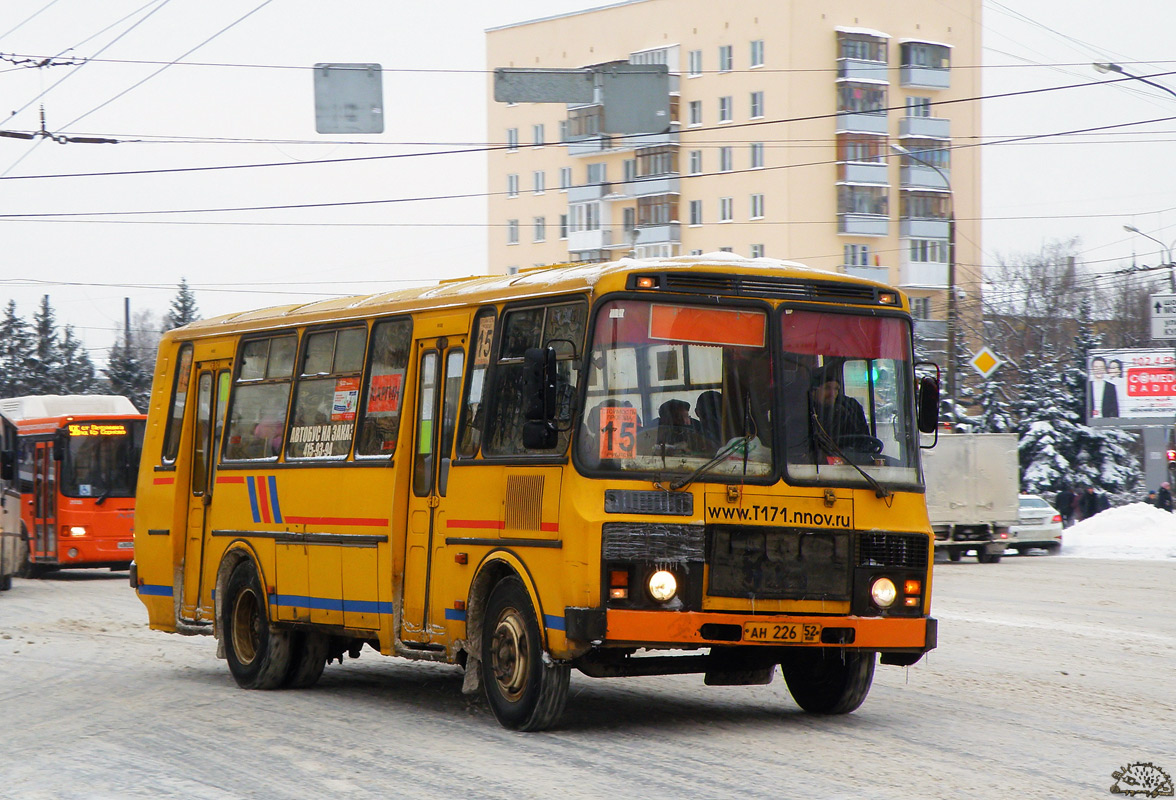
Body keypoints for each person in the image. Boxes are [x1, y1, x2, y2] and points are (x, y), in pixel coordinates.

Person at [810, 367, 870, 449]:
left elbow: (864, 439)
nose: (833, 393)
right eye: (827, 388)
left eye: (836, 389)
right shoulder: (805, 411)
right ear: (813, 392)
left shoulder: (850, 408)